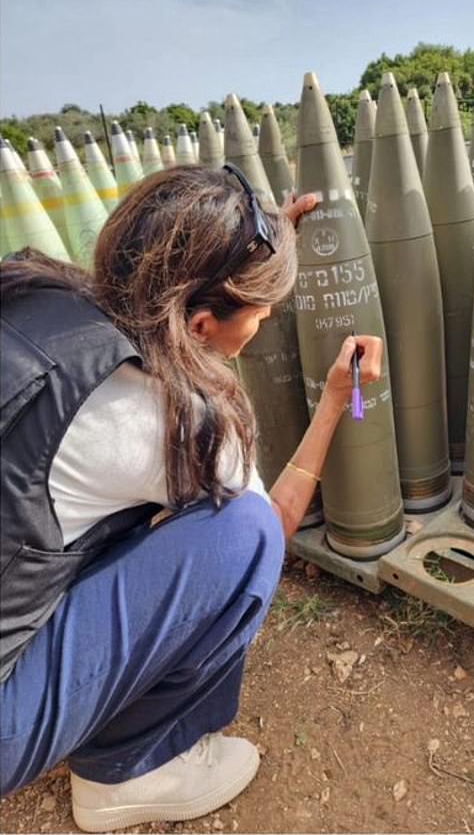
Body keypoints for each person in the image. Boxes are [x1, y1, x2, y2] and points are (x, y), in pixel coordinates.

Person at [0, 164, 383, 831]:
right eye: (260, 315)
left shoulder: (35, 292)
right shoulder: (171, 423)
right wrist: (330, 406)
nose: (262, 326)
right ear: (203, 324)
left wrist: (260, 249)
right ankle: (126, 771)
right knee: (241, 534)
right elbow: (272, 524)